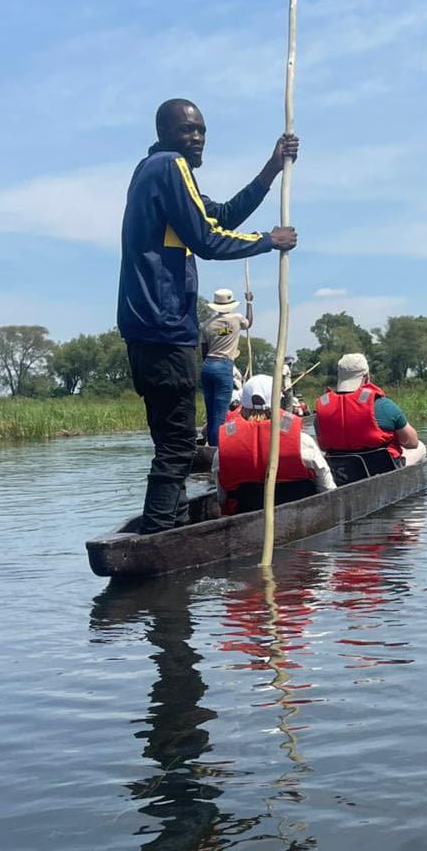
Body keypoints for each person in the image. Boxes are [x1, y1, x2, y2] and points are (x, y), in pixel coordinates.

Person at [117, 97, 298, 533]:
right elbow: (208, 239)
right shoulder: (169, 166)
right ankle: (162, 533)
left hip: (146, 329)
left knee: (171, 442)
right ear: (164, 133)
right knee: (178, 444)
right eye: (187, 130)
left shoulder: (156, 174)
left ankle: (173, 528)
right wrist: (266, 241)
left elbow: (217, 216)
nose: (196, 139)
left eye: (200, 131)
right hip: (164, 327)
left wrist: (271, 170)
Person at [215, 374, 336, 515]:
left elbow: (222, 499)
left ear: (243, 406)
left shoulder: (223, 451)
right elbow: (327, 487)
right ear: (278, 402)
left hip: (247, 512)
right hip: (302, 514)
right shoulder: (302, 441)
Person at [315, 352, 426, 480]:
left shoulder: (322, 411)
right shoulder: (383, 405)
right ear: (367, 377)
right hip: (383, 470)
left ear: (340, 378)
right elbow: (412, 443)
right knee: (421, 447)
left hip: (342, 474)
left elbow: (322, 446)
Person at [201, 286, 252, 447]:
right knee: (220, 414)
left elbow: (204, 351)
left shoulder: (207, 325)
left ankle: (210, 442)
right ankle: (217, 448)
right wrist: (249, 302)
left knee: (210, 411)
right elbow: (249, 323)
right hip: (223, 366)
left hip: (208, 366)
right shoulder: (236, 319)